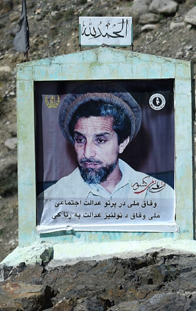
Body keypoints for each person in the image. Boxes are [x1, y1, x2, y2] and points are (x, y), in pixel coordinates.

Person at [37, 83, 174, 226]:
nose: (87, 153)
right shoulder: (50, 202)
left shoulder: (159, 195)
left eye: (100, 140)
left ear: (122, 143)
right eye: (80, 140)